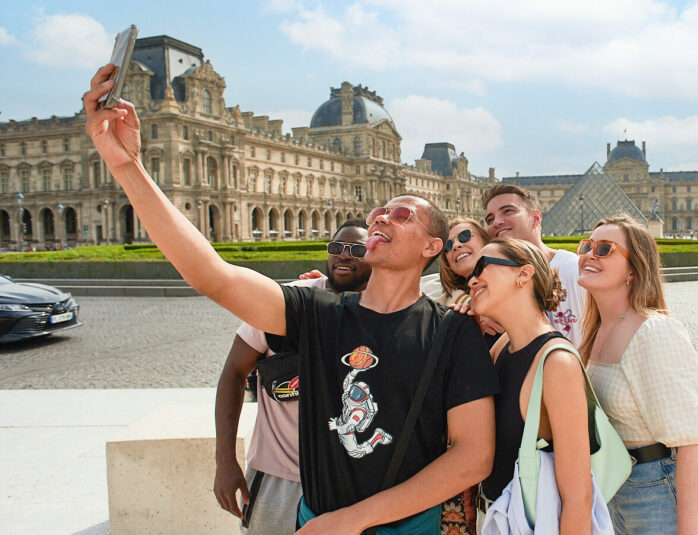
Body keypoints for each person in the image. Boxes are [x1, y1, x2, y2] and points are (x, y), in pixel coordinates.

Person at [83, 64, 499, 535]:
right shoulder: (314, 312)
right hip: (316, 523)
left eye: (401, 214)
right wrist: (127, 167)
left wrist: (349, 521)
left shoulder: (453, 329)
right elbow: (210, 276)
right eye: (379, 211)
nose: (381, 217)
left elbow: (473, 456)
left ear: (432, 248)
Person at [214, 219, 371, 534]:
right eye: (337, 247)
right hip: (278, 479)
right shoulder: (284, 302)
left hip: (354, 482)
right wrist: (225, 461)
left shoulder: (387, 313)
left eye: (357, 249)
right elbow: (233, 373)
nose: (344, 255)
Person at [577, 214, 698, 535]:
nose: (589, 254)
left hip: (662, 495)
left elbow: (694, 444)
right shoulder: (594, 331)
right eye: (586, 245)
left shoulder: (653, 332)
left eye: (605, 249)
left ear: (633, 269)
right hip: (623, 489)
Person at [465, 237, 593, 533]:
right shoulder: (501, 347)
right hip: (497, 520)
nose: (472, 280)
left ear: (524, 274)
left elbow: (577, 497)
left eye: (482, 266)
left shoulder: (557, 364)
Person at [482, 184, 586, 346]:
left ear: (536, 218)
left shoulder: (574, 269)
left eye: (508, 211)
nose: (496, 222)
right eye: (490, 219)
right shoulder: (496, 281)